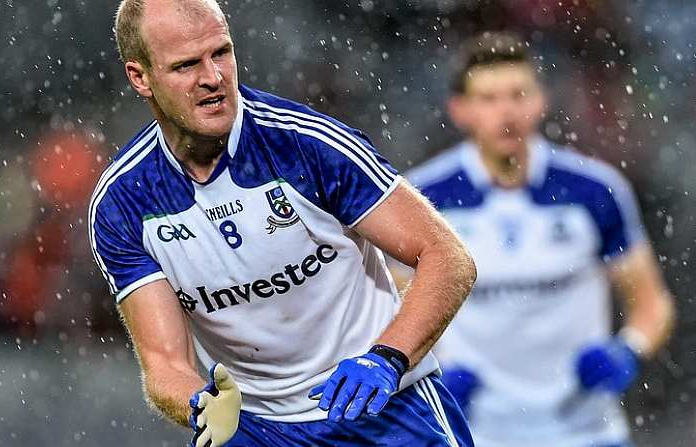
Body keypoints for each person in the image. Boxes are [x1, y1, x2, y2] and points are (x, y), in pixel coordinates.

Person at [89, 1, 477, 446]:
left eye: (221, 52)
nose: (213, 78)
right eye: (186, 65)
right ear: (140, 77)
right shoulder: (122, 202)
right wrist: (201, 407)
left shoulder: (307, 145)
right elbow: (164, 364)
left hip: (385, 411)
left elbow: (448, 256)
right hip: (261, 430)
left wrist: (387, 359)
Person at [401, 32, 676, 447]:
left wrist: (628, 351)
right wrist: (433, 366)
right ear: (460, 110)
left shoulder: (595, 190)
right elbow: (394, 305)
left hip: (588, 432)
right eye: (489, 98)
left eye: (518, 94)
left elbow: (652, 301)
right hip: (475, 433)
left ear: (540, 101)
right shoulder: (426, 197)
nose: (506, 111)